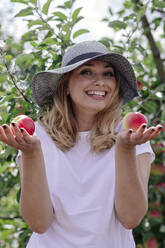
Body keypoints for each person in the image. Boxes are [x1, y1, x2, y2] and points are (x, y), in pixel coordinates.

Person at [0, 40, 163, 248]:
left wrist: (125, 150)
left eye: (108, 73)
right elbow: (39, 223)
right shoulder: (37, 137)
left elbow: (130, 218)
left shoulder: (130, 135)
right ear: (66, 85)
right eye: (87, 72)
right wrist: (32, 154)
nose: (100, 82)